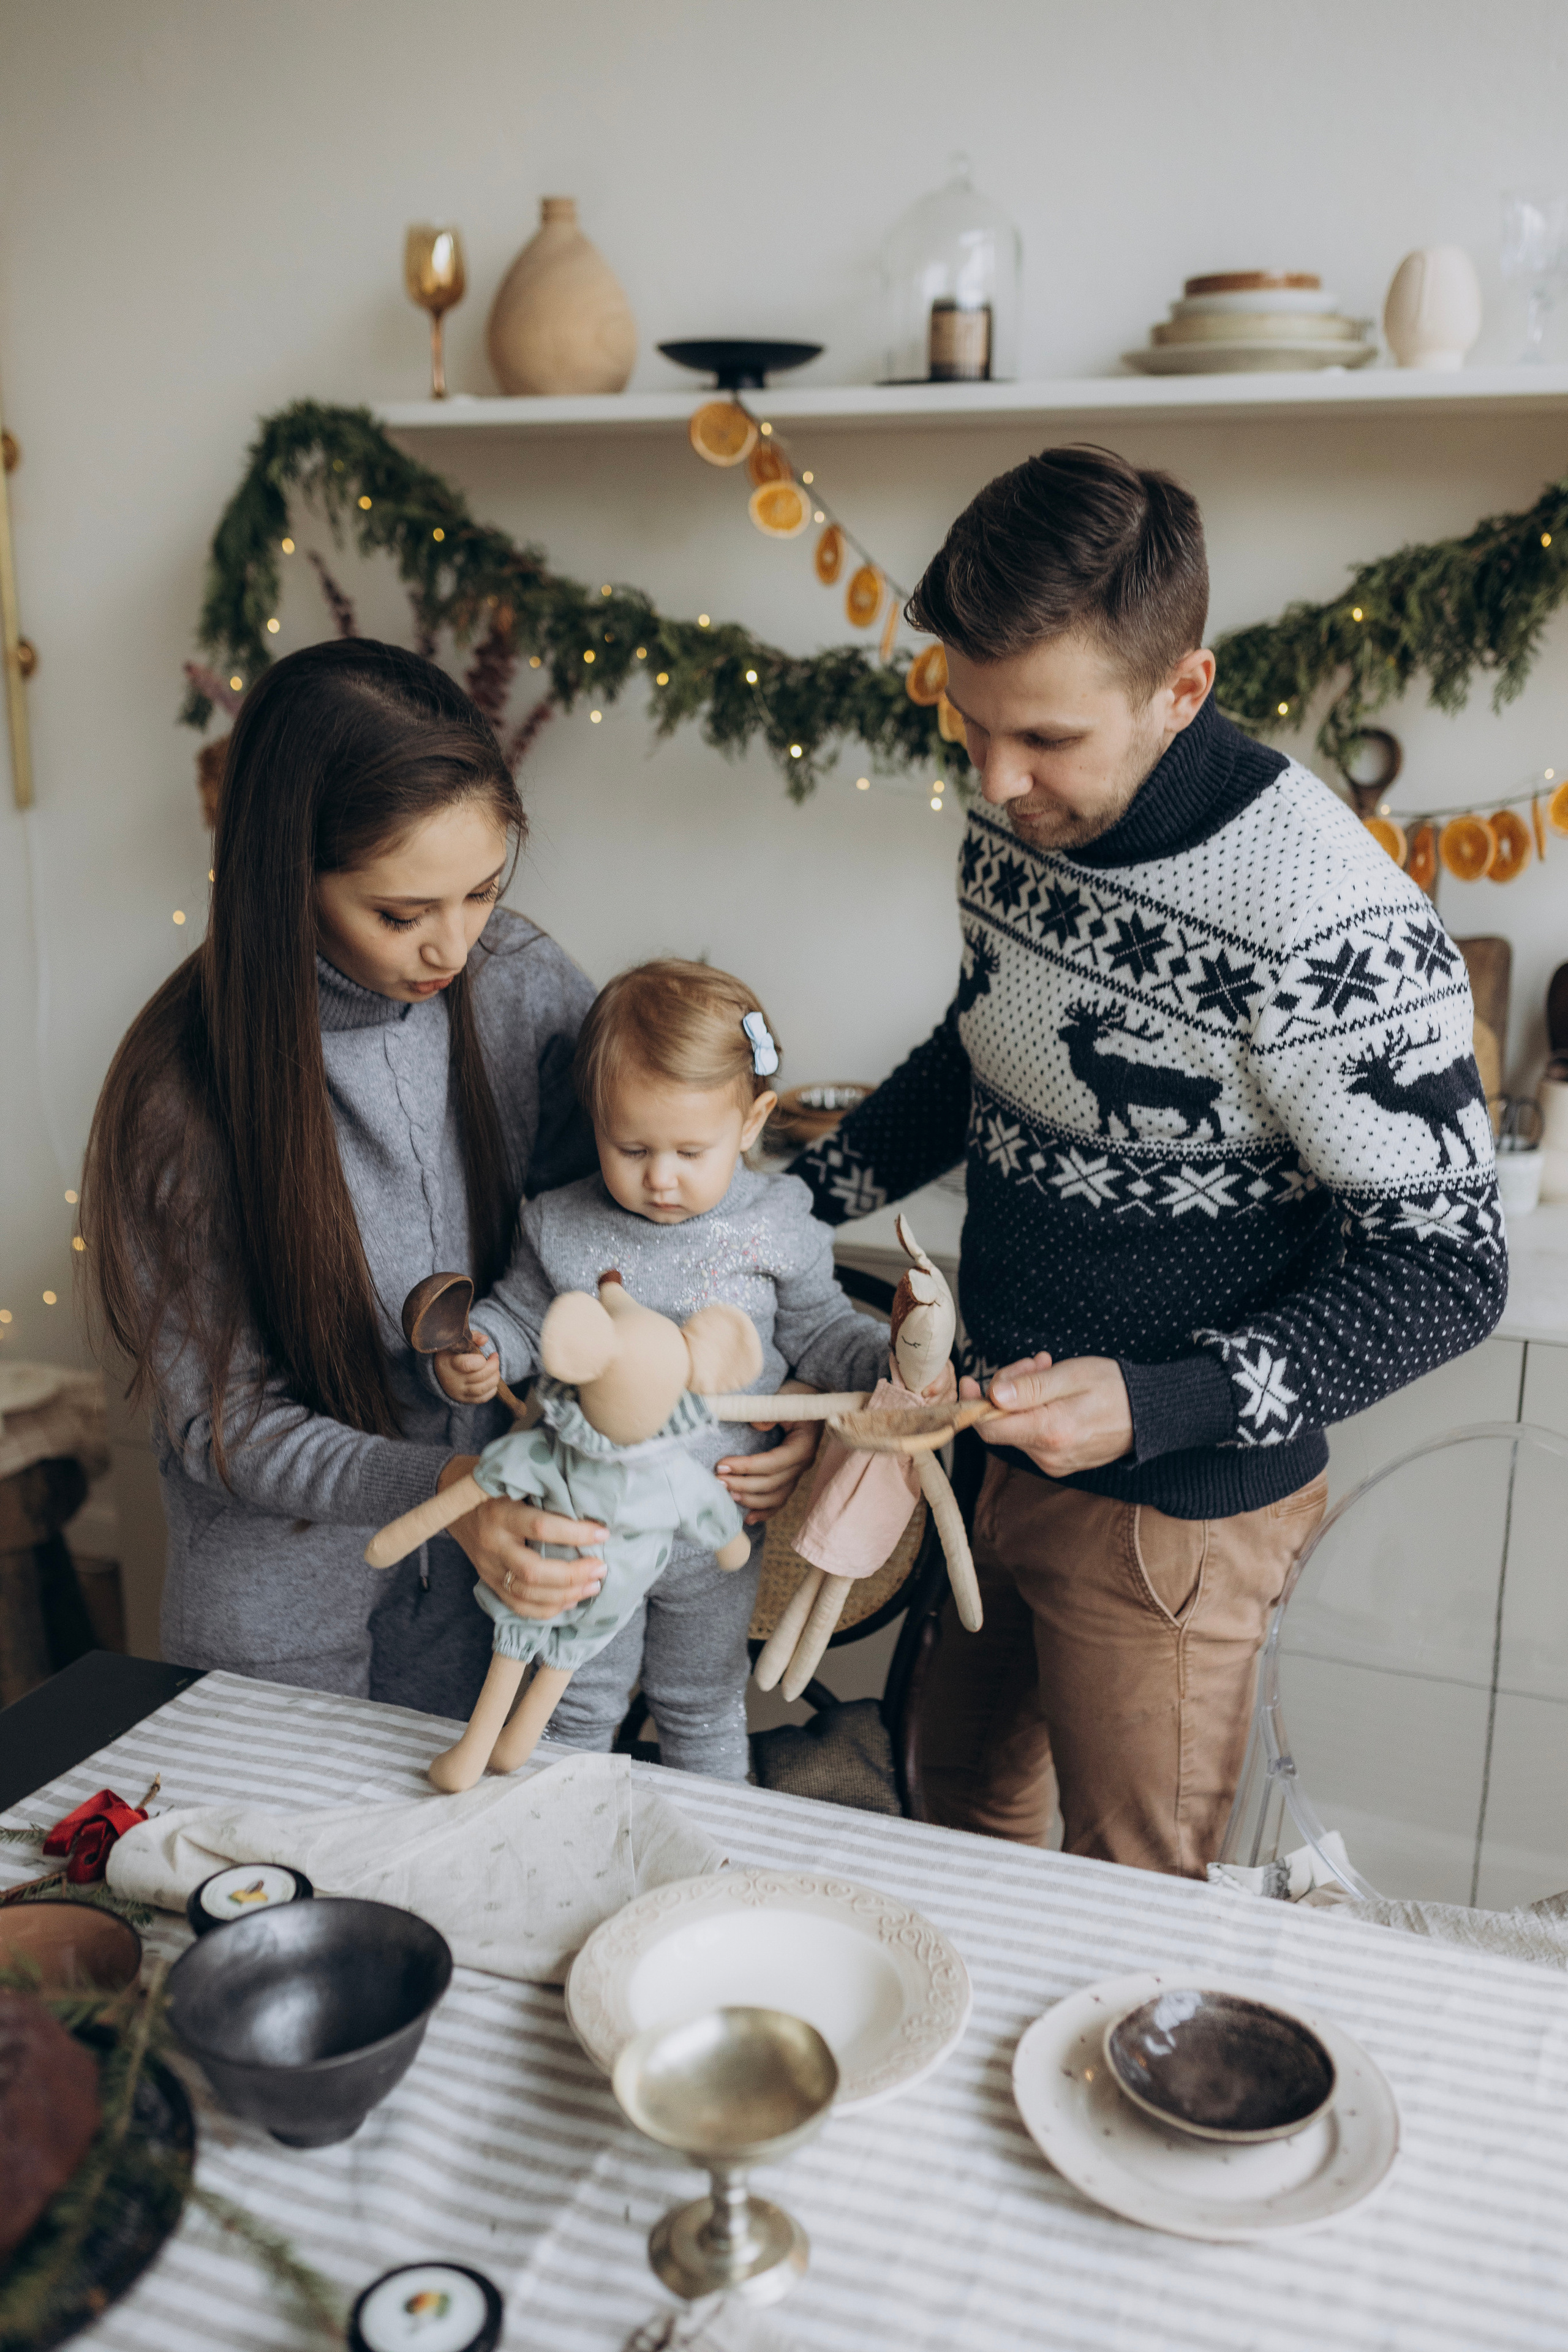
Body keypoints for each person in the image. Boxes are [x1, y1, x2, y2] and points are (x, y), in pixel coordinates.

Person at [791, 445, 1507, 1877]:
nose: (994, 779)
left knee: (1140, 1893)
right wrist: (781, 1205)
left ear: (1181, 691)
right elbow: (986, 1049)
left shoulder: (1326, 920)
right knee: (951, 1817)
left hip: (1175, 1521)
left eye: (1044, 739)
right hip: (981, 1445)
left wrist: (1157, 1401)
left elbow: (1449, 1271)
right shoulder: (1013, 825)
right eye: (969, 721)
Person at [82, 641, 817, 1714]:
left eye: (482, 891)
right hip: (282, 1637)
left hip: (511, 1619)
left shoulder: (524, 990)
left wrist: (768, 1396)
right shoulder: (182, 1091)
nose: (454, 947)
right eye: (400, 913)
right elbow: (223, 1426)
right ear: (285, 877)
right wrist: (446, 1489)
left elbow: (653, 1247)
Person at [432, 958, 894, 1780]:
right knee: (577, 1700)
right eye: (631, 1146)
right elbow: (523, 1316)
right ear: (597, 1120)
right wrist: (486, 1350)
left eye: (691, 1149)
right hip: (589, 1530)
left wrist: (892, 1364)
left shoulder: (776, 1226)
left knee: (703, 1703)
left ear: (751, 1123)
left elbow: (824, 1331)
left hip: (715, 1532)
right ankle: (552, 1838)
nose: (661, 1178)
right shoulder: (564, 1225)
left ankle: (708, 1859)